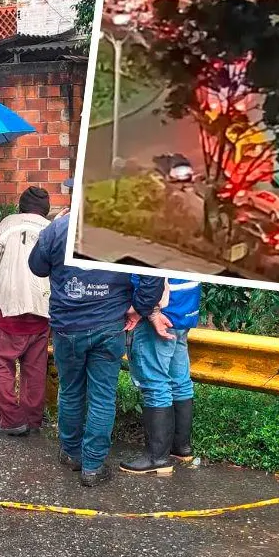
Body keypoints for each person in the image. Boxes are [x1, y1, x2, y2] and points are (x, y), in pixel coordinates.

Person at [28, 189, 164, 487]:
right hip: (108, 326)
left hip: (67, 326)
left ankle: (72, 453)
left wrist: (52, 230)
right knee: (102, 396)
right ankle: (93, 466)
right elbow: (153, 276)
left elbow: (36, 267)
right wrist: (140, 308)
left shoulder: (58, 228)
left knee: (71, 390)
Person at [0, 186, 52, 437]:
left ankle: (11, 420)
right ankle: (32, 420)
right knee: (34, 369)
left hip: (7, 312)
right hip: (43, 313)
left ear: (20, 207)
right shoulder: (51, 229)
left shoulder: (7, 225)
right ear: (46, 211)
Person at [120, 276, 201, 476]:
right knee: (179, 381)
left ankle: (157, 458)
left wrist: (149, 311)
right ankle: (180, 447)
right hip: (183, 308)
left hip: (160, 312)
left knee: (155, 384)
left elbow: (149, 273)